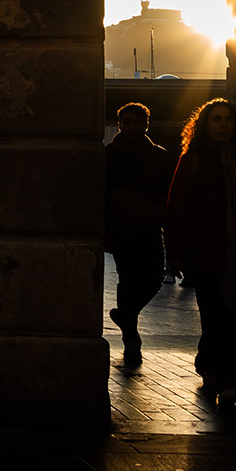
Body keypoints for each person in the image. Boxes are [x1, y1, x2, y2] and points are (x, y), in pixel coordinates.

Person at [164, 98, 236, 409]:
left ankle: (207, 359)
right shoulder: (193, 161)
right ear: (205, 126)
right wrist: (175, 253)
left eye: (228, 119)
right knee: (216, 314)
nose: (223, 125)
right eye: (216, 120)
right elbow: (178, 210)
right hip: (206, 253)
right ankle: (229, 382)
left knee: (229, 317)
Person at [104, 102, 176, 365]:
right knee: (128, 279)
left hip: (147, 226)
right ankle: (131, 339)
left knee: (153, 277)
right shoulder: (109, 155)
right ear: (120, 124)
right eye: (127, 122)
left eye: (137, 122)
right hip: (122, 227)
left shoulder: (160, 156)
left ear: (146, 124)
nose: (132, 127)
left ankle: (126, 317)